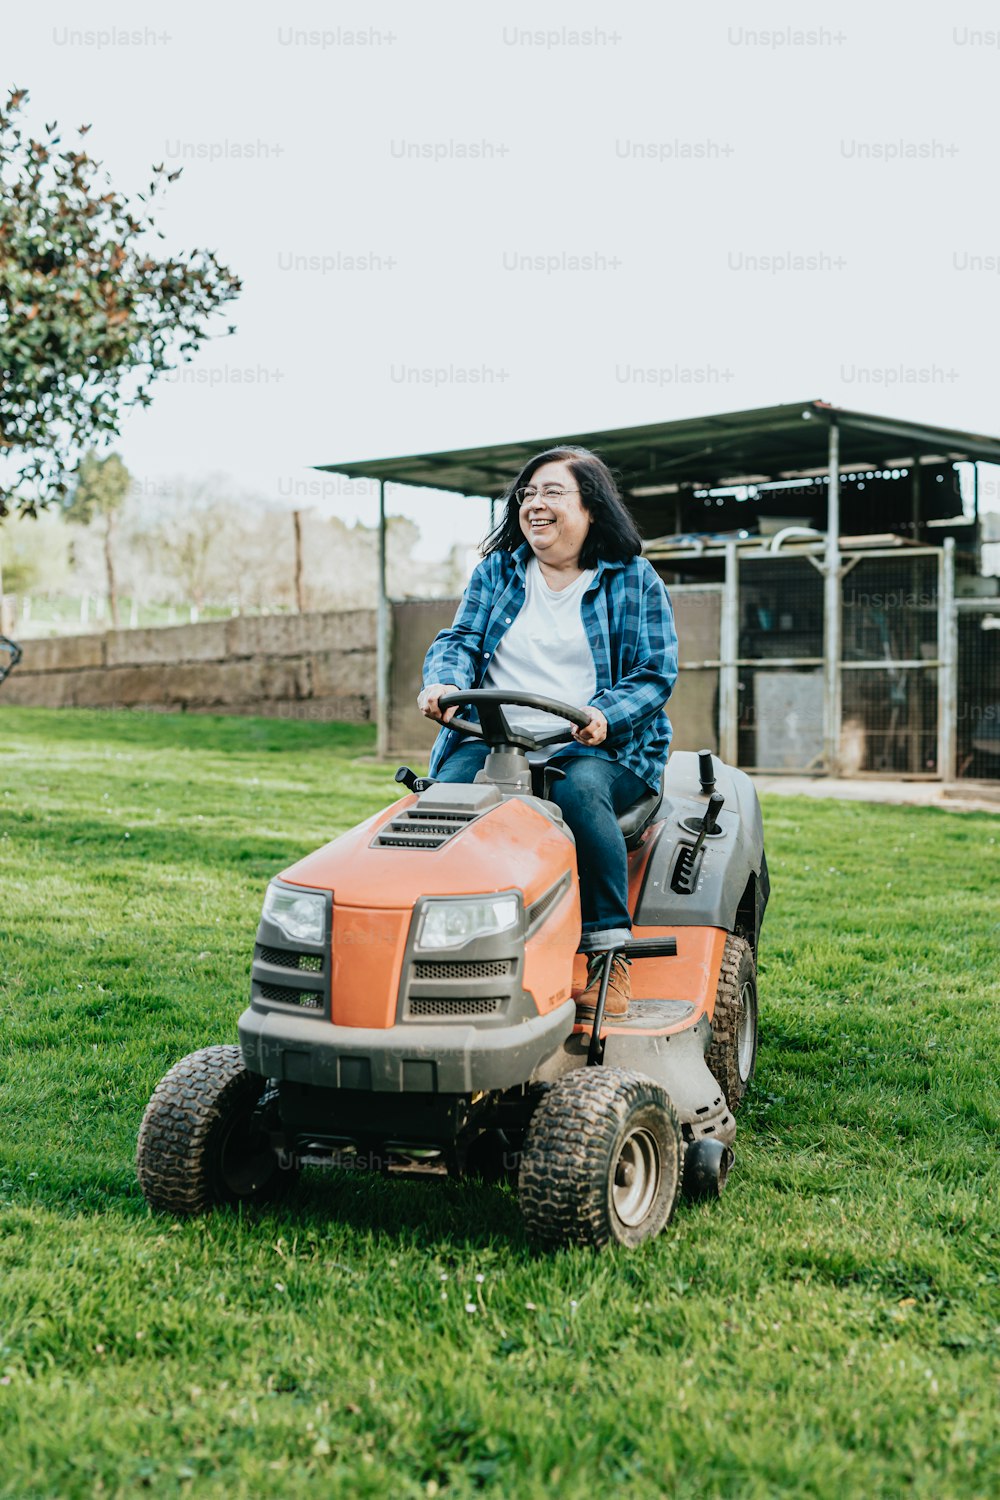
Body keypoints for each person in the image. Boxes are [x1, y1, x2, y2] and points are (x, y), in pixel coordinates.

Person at [418, 445, 678, 1021]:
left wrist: (604, 714)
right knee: (442, 807)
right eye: (527, 494)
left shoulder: (633, 579)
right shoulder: (498, 573)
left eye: (552, 493)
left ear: (591, 507)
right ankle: (444, 951)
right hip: (495, 738)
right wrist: (442, 683)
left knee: (578, 794)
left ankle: (610, 958)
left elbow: (655, 673)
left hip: (598, 744)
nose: (535, 504)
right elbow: (457, 642)